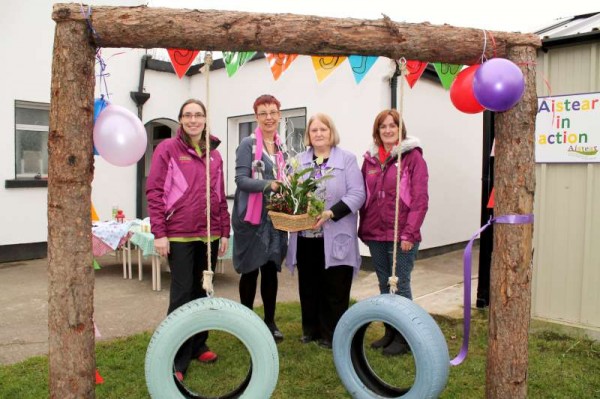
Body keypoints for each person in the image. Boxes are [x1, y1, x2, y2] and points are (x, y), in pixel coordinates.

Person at [146, 98, 230, 381]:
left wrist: (225, 230)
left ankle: (198, 344)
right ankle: (176, 357)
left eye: (198, 115)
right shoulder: (167, 149)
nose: (193, 120)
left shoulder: (215, 154)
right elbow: (155, 192)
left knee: (204, 292)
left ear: (206, 119)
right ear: (181, 120)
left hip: (209, 234)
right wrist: (160, 232)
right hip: (179, 234)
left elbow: (220, 194)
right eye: (188, 115)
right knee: (182, 296)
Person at [286, 113, 365, 349]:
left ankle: (332, 334)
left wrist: (330, 213)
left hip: (335, 234)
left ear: (332, 133)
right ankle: (310, 330)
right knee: (309, 285)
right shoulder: (298, 161)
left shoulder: (347, 160)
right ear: (308, 135)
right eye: (314, 130)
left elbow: (358, 195)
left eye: (323, 129)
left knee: (335, 287)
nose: (319, 134)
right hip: (306, 236)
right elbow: (290, 194)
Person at [358, 109, 429, 356]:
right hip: (376, 234)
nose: (388, 130)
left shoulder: (413, 158)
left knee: (400, 284)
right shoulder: (369, 160)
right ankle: (390, 332)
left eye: (393, 125)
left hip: (402, 236)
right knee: (383, 284)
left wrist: (410, 233)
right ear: (377, 132)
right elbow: (362, 195)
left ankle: (406, 337)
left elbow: (420, 199)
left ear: (401, 129)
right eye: (383, 126)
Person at [232, 94, 288, 342]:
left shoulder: (281, 146)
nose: (269, 117)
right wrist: (270, 185)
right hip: (251, 220)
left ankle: (270, 321)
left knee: (270, 271)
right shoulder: (247, 144)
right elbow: (241, 181)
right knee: (250, 270)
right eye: (263, 113)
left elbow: (286, 178)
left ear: (279, 115)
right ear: (256, 116)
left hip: (275, 220)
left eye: (273, 112)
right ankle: (246, 322)